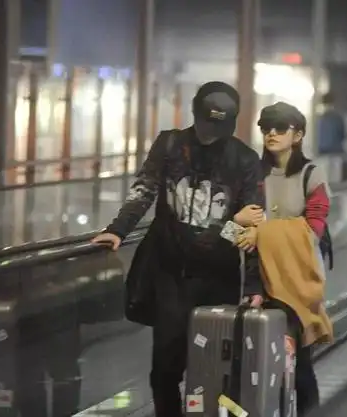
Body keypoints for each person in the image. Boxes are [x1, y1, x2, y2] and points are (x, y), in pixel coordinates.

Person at [91, 81, 264, 417]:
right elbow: (144, 189)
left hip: (218, 278)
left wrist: (254, 283)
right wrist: (117, 229)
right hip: (171, 274)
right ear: (195, 114)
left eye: (218, 128)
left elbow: (251, 229)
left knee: (214, 369)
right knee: (165, 369)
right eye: (205, 124)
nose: (209, 134)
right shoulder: (170, 144)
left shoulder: (244, 160)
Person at [234, 101, 332, 417]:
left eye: (280, 128)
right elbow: (233, 233)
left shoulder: (311, 175)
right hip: (257, 280)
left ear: (298, 134)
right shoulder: (253, 174)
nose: (271, 134)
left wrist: (262, 233)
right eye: (266, 128)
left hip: (297, 282)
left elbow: (312, 230)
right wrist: (235, 222)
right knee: (260, 363)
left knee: (298, 364)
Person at [317, 92, 347, 157]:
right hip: (336, 151)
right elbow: (342, 135)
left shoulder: (320, 119)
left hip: (323, 152)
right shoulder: (337, 118)